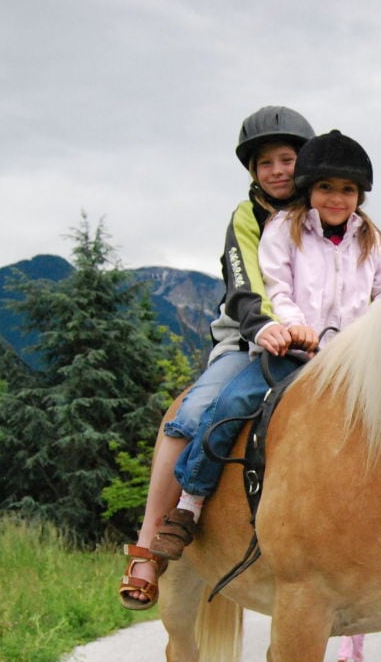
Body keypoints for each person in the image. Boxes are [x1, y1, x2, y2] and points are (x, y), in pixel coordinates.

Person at [151, 130, 381, 560]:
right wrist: (293, 327)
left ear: (361, 195)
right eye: (325, 187)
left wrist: (367, 340)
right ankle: (189, 503)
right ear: (309, 189)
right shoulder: (286, 228)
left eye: (348, 190)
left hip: (349, 362)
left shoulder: (373, 241)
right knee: (230, 405)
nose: (336, 198)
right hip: (292, 353)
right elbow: (276, 287)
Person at [119, 106, 314, 610]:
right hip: (250, 341)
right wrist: (267, 326)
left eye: (287, 159)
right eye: (265, 162)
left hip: (323, 343)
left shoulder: (329, 210)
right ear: (253, 171)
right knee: (189, 415)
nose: (277, 170)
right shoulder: (246, 217)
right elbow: (243, 283)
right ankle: (149, 545)